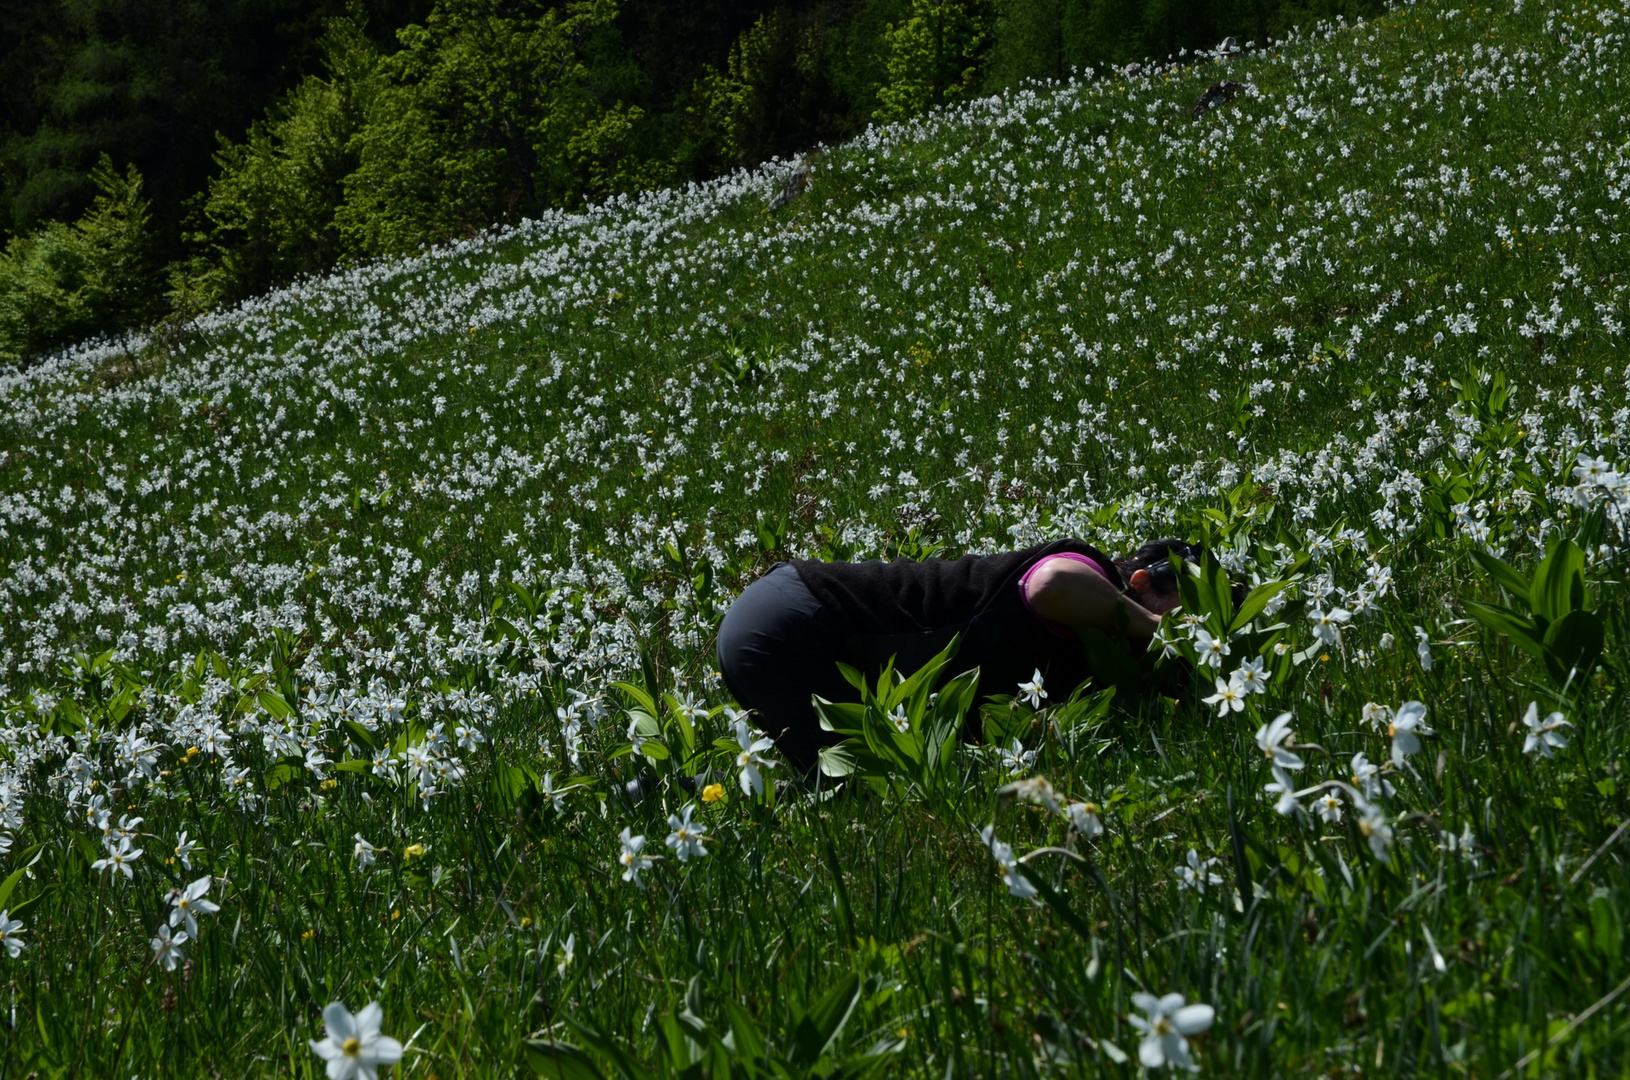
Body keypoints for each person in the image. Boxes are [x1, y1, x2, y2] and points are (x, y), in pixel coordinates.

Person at [715, 537, 1199, 773]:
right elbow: (1049, 583)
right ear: (1140, 581)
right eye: (1190, 611)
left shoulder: (1100, 659)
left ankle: (669, 792)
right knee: (866, 789)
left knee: (834, 782)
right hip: (798, 620)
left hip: (787, 623)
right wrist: (1163, 633)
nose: (1191, 630)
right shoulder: (1094, 578)